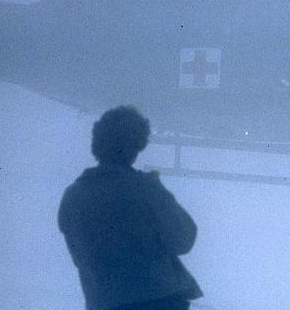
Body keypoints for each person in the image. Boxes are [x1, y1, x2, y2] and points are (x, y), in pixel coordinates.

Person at [58, 106, 203, 310]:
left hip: (102, 302)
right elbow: (184, 239)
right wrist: (158, 191)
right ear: (136, 147)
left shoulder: (72, 196)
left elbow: (80, 256)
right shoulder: (145, 189)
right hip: (160, 302)